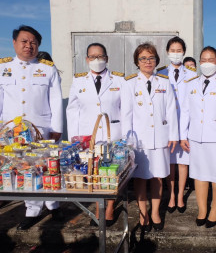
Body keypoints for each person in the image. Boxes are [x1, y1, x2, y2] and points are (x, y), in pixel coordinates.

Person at [0, 25, 63, 230]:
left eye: (33, 42)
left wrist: (57, 127)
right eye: (24, 41)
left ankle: (54, 205)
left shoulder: (47, 68)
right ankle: (32, 210)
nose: (29, 45)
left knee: (47, 167)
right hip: (12, 133)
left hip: (42, 130)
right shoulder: (3, 68)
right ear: (14, 43)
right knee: (24, 169)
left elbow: (55, 100)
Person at [66, 42, 125, 226]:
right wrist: (74, 139)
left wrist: (125, 137)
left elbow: (126, 110)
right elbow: (72, 111)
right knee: (93, 172)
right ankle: (100, 206)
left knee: (110, 172)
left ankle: (108, 208)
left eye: (100, 56)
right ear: (86, 59)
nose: (96, 60)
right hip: (88, 136)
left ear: (106, 59)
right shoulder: (78, 81)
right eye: (92, 56)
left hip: (112, 134)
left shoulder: (119, 81)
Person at [122, 42, 178, 232]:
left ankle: (155, 212)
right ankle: (143, 213)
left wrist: (174, 135)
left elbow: (171, 111)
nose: (148, 61)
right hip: (139, 141)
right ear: (137, 62)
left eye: (151, 57)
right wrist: (127, 141)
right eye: (143, 58)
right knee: (140, 178)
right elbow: (126, 115)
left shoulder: (164, 82)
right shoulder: (129, 83)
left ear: (157, 60)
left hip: (160, 138)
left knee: (158, 178)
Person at [180, 46, 216, 228]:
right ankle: (202, 209)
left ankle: (215, 210)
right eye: (203, 60)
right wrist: (183, 135)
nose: (206, 63)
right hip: (196, 138)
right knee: (199, 175)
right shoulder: (191, 84)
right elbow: (185, 112)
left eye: (210, 60)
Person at [156, 36, 197, 214]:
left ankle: (180, 195)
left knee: (183, 163)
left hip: (186, 125)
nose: (175, 53)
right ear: (167, 52)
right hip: (168, 124)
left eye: (179, 50)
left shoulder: (192, 74)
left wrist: (185, 132)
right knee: (170, 162)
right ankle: (171, 195)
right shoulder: (160, 73)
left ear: (184, 52)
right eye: (172, 50)